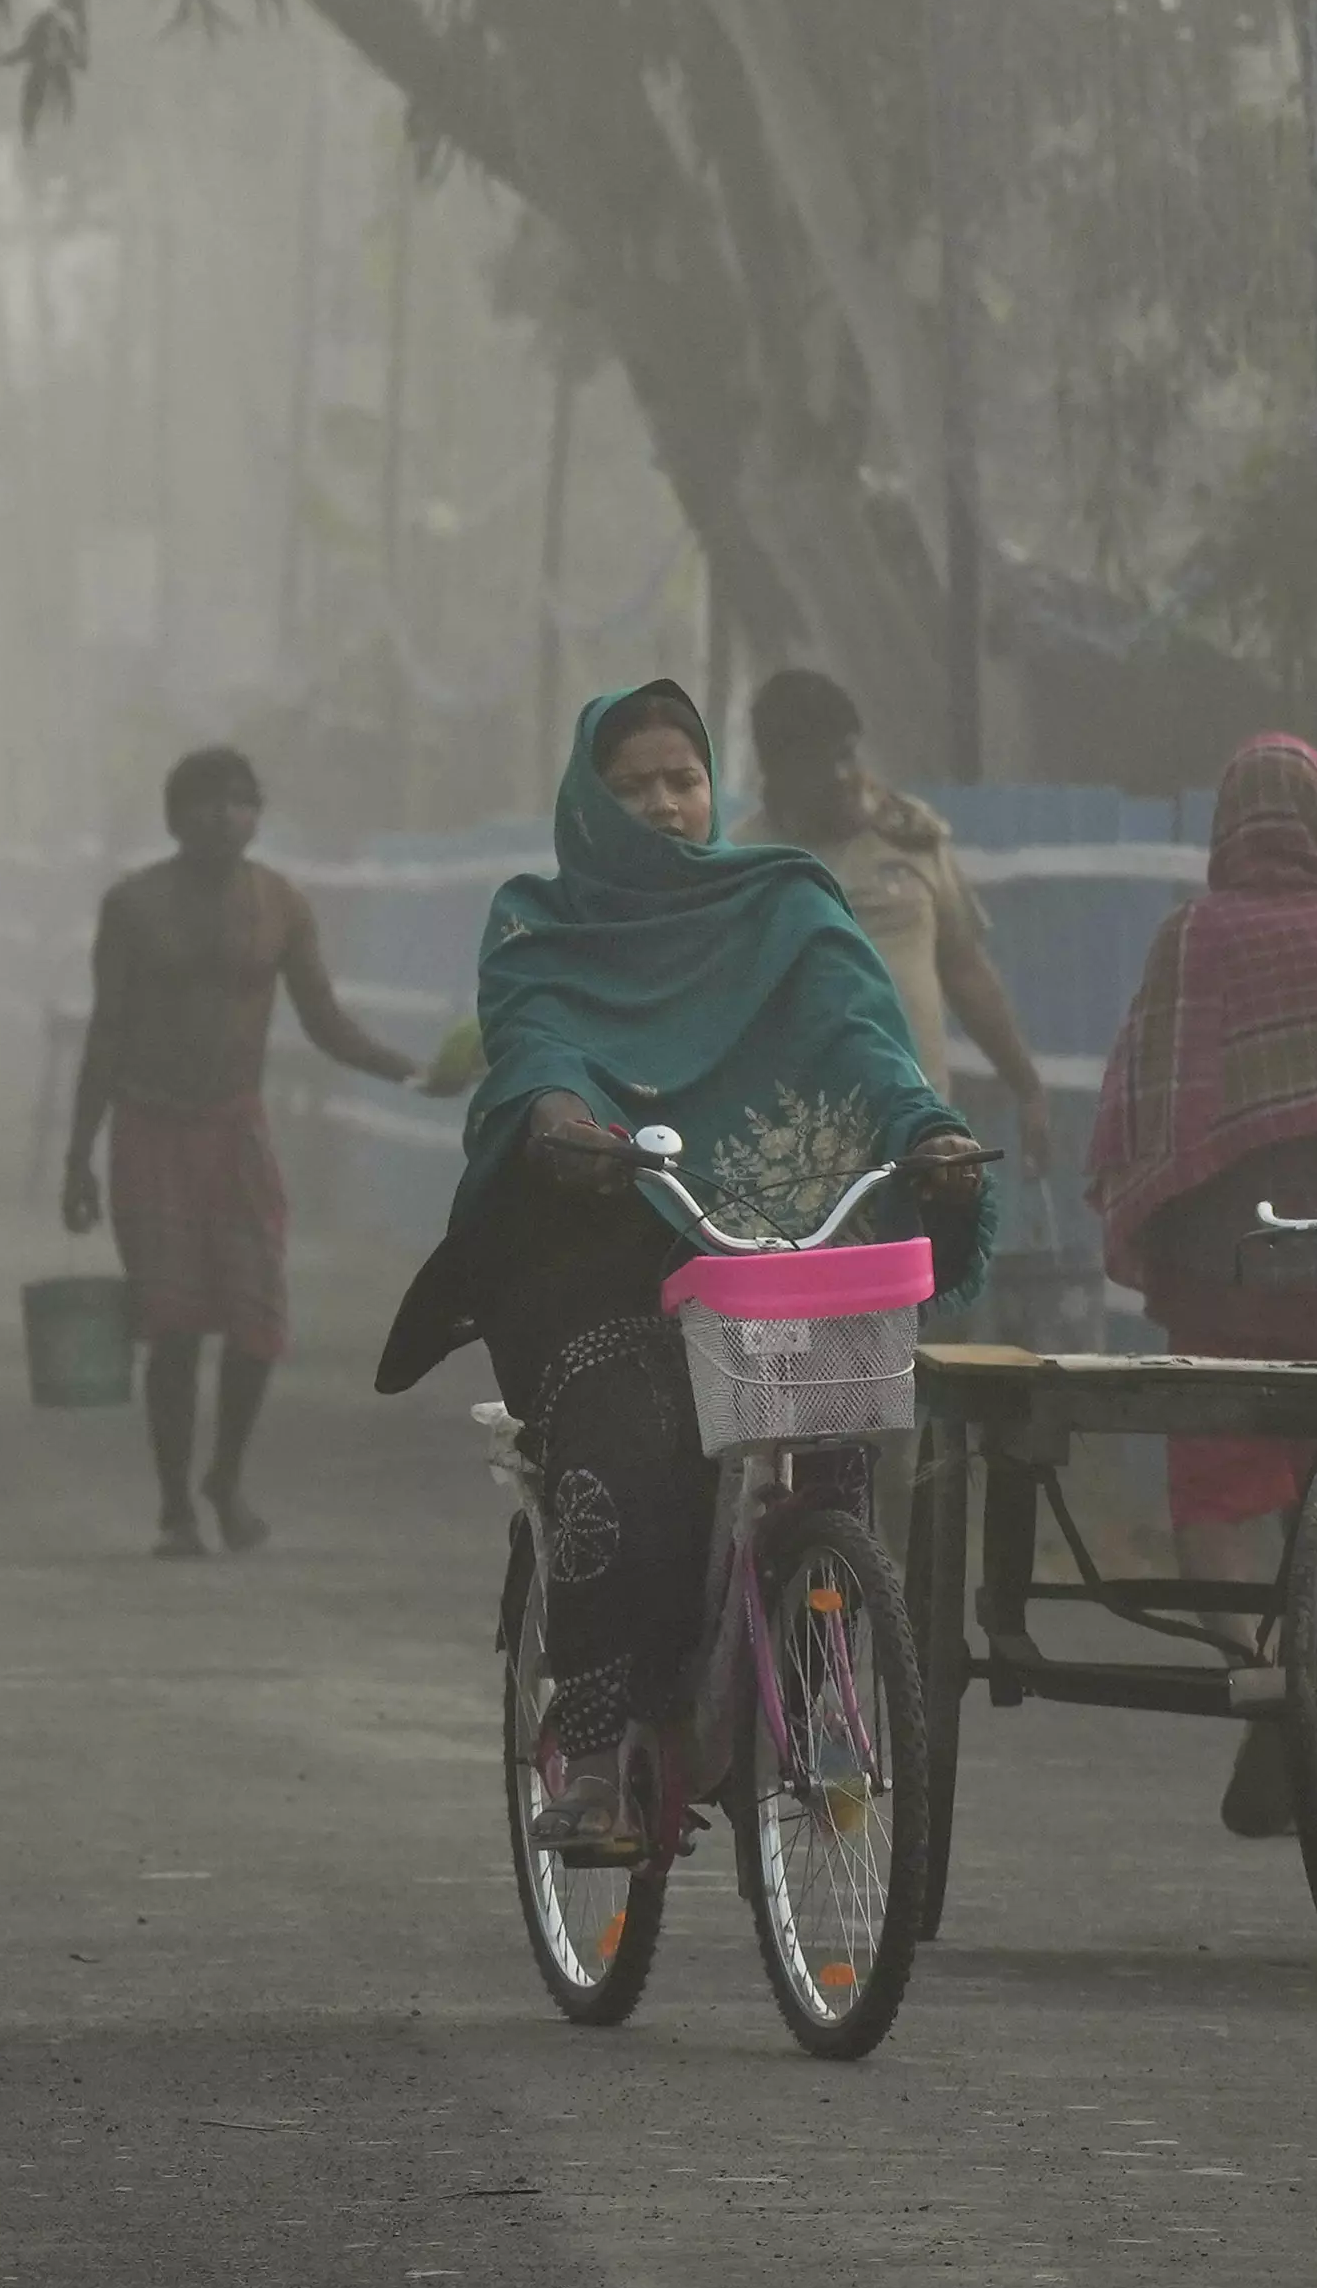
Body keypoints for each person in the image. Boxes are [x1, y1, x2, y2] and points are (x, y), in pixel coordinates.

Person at [375, 682, 992, 1854]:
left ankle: (808, 1705)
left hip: (763, 1236)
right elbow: (537, 1042)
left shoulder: (787, 903)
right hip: (596, 1238)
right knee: (627, 1434)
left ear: (715, 786)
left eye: (683, 778)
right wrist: (564, 1121)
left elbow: (865, 1041)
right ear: (591, 805)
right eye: (634, 786)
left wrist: (928, 1131)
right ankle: (599, 1751)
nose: (665, 803)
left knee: (831, 1454)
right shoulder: (539, 923)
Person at [1082, 732, 1317, 1837]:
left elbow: (1157, 1097)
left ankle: (1263, 1666)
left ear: (1227, 823)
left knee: (1218, 1488)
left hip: (1218, 1268)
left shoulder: (1197, 937)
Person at [63, 748, 421, 1555]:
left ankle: (224, 1473)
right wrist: (77, 1156)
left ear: (258, 814)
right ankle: (174, 1507)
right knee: (173, 1325)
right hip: (149, 1127)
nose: (223, 817)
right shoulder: (132, 905)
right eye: (205, 802)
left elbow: (324, 1019)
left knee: (257, 1317)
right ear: (173, 815)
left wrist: (409, 1069)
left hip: (235, 1128)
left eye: (238, 802)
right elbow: (106, 1033)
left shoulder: (281, 905)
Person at [736, 669, 1057, 1186]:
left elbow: (965, 971)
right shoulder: (746, 865)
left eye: (848, 754)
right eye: (822, 762)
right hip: (797, 1150)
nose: (843, 775)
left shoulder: (911, 836)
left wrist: (1026, 1087)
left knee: (926, 1266)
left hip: (921, 1137)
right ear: (781, 772)